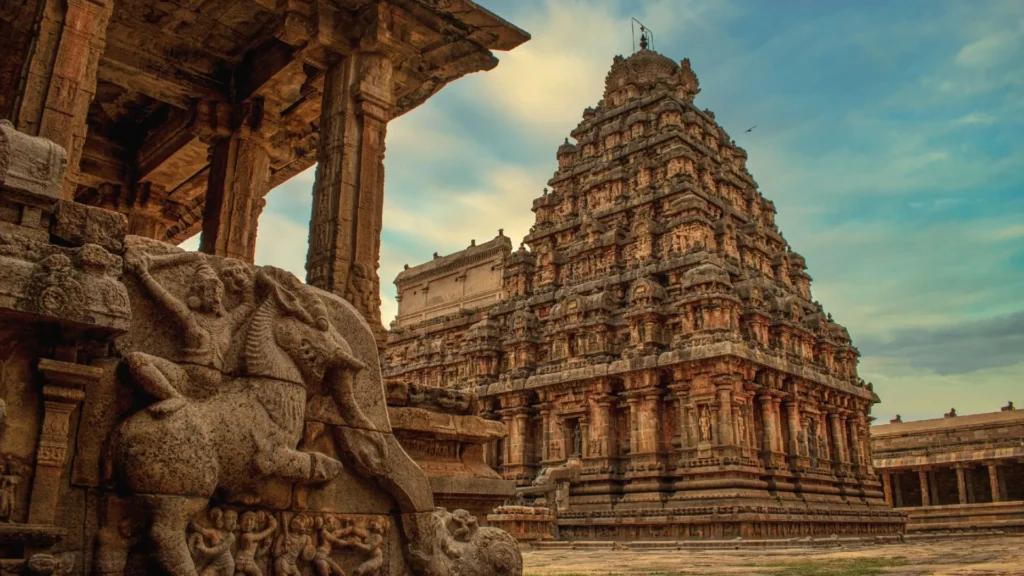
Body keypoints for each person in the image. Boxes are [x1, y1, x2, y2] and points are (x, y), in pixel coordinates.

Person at [125, 252, 253, 416]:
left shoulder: (228, 322)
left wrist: (242, 278)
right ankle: (173, 396)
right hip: (184, 377)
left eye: (217, 292)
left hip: (214, 385)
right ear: (196, 294)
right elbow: (163, 297)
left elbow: (248, 304)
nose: (214, 297)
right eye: (208, 291)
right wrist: (144, 274)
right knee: (136, 359)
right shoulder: (189, 317)